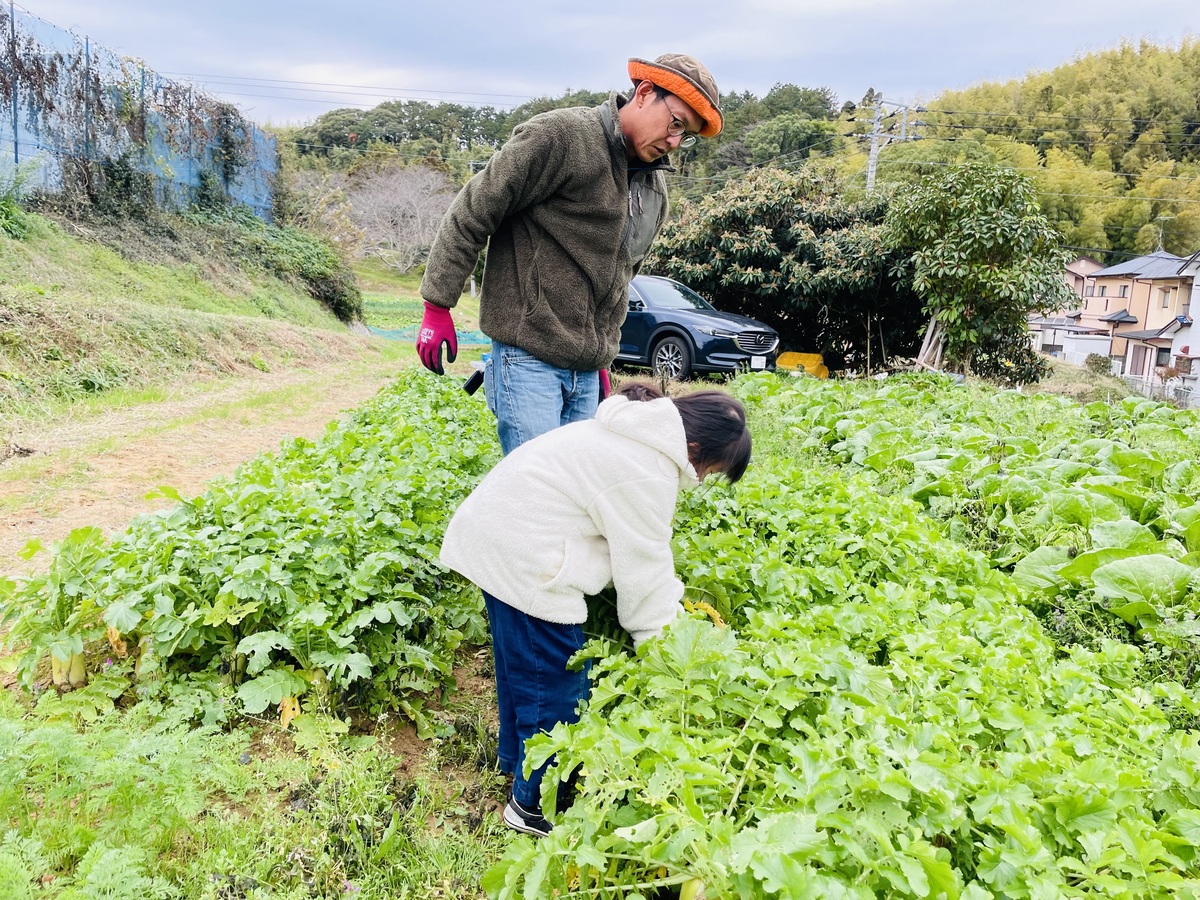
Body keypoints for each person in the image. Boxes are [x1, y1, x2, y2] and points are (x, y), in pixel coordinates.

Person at [439, 383, 751, 836]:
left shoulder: (631, 433)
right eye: (709, 470)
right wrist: (673, 657)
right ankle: (531, 808)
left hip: (496, 536)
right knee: (558, 693)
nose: (701, 480)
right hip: (522, 553)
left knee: (523, 673)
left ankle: (516, 769)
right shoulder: (648, 469)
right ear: (695, 447)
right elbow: (645, 575)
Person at [416, 54, 723, 455]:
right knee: (538, 490)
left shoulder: (654, 192)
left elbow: (621, 277)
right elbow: (472, 211)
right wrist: (437, 306)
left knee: (573, 493)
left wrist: (602, 357)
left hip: (587, 374)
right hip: (528, 357)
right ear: (645, 93)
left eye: (687, 135)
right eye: (676, 123)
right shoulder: (560, 137)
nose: (675, 141)